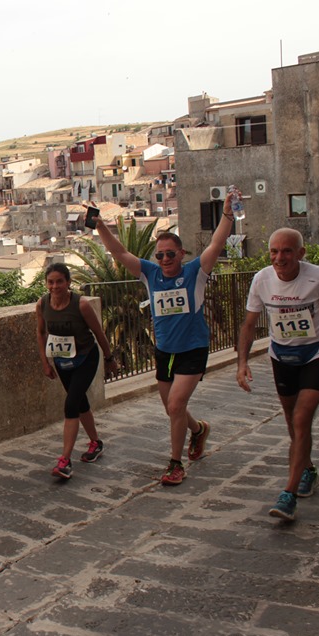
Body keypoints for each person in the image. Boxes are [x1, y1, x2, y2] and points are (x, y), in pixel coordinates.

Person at [93, 196, 235, 485]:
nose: (165, 260)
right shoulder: (150, 274)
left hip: (193, 348)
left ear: (181, 253)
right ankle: (197, 430)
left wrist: (228, 215)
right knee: (172, 407)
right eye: (160, 255)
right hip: (164, 351)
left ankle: (175, 464)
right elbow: (118, 252)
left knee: (175, 405)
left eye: (170, 254)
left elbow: (216, 244)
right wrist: (99, 226)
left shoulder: (195, 272)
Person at [236, 228, 319, 521]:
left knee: (302, 418)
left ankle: (288, 494)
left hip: (316, 352)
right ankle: (308, 470)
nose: (279, 258)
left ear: (301, 253)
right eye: (274, 251)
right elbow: (249, 324)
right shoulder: (262, 279)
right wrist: (242, 363)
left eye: (287, 251)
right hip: (282, 355)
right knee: (291, 419)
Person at [36, 263, 118, 479]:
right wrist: (45, 362)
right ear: (46, 283)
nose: (55, 286)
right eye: (51, 282)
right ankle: (95, 443)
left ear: (68, 282)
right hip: (63, 363)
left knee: (71, 404)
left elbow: (98, 332)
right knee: (80, 404)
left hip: (86, 359)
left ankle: (65, 461)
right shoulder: (42, 304)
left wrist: (110, 358)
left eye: (59, 281)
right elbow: (41, 333)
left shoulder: (80, 305)